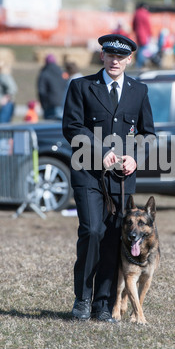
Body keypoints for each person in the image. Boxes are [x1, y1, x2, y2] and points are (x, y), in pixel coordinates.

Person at [62, 33, 155, 323]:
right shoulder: (81, 86)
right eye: (109, 55)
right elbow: (72, 127)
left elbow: (148, 134)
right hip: (89, 174)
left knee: (115, 237)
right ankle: (83, 299)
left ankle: (103, 304)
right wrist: (99, 150)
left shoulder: (138, 90)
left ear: (129, 60)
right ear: (102, 56)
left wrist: (135, 155)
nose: (115, 61)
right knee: (92, 232)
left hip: (122, 180)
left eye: (121, 57)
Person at [0, 59, 18, 124]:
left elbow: (12, 88)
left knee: (2, 127)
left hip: (4, 106)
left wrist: (5, 98)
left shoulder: (3, 76)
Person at [37, 54, 66, 120]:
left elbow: (41, 91)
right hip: (62, 103)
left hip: (49, 105)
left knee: (49, 127)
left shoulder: (44, 73)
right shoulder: (61, 72)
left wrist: (43, 104)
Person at [132, 2, 152, 69]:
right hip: (144, 34)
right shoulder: (144, 14)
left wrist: (135, 31)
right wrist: (150, 34)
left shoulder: (136, 13)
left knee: (140, 49)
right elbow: (147, 25)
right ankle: (140, 65)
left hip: (138, 33)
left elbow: (133, 24)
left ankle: (138, 64)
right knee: (143, 49)